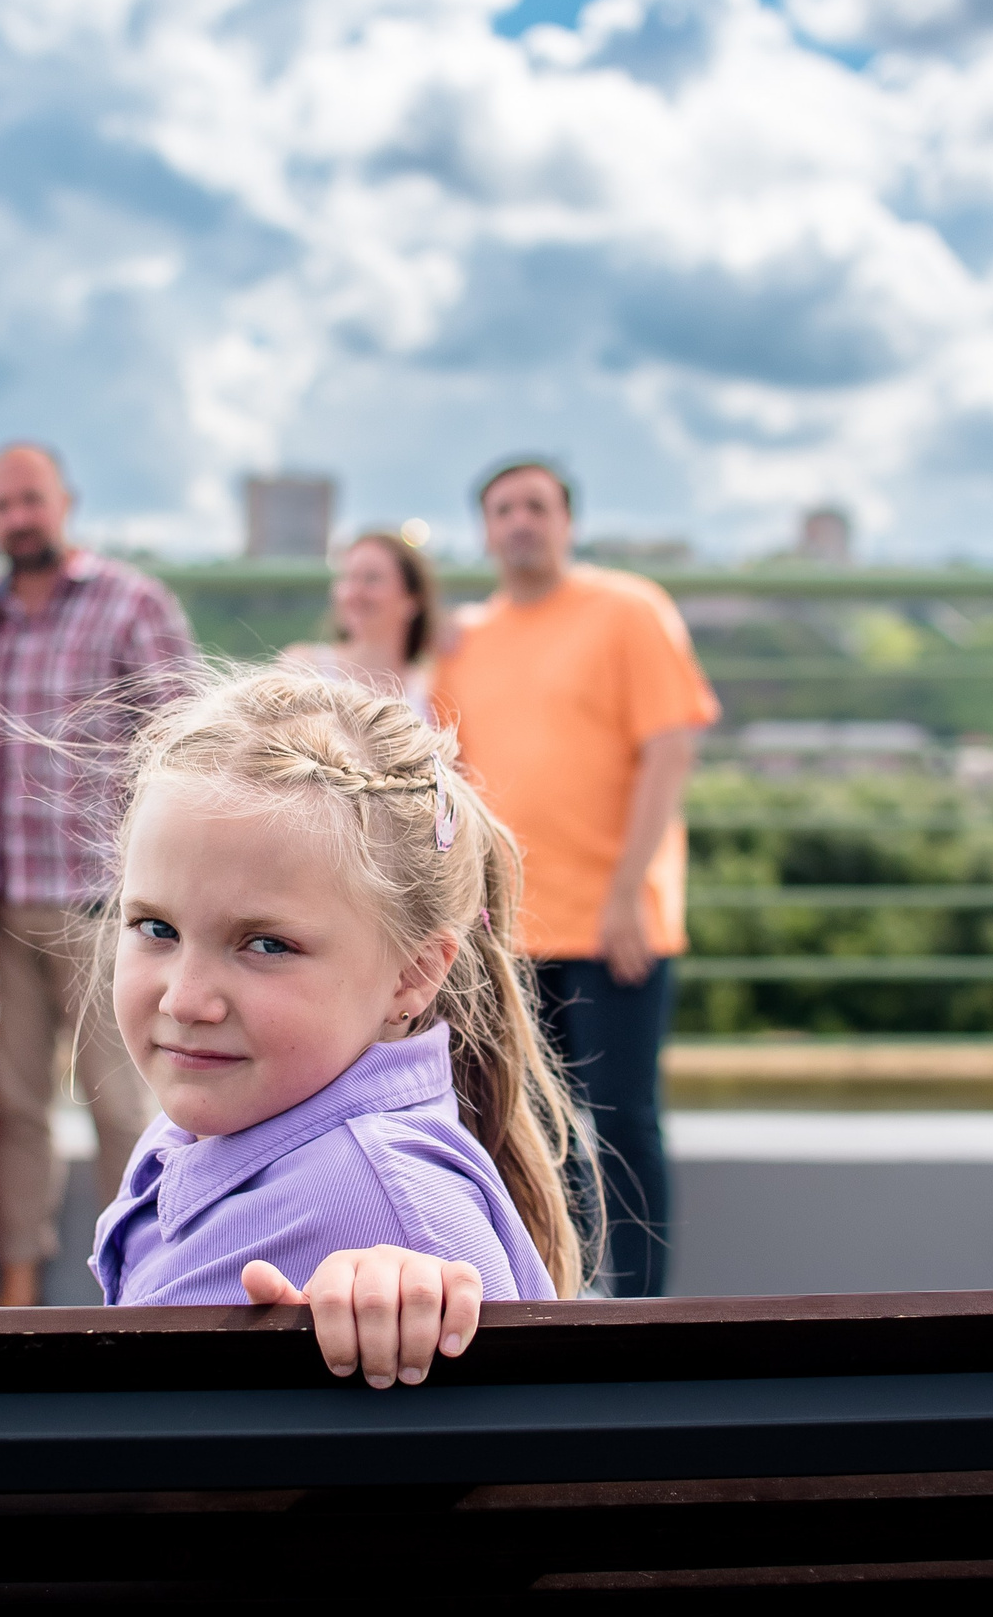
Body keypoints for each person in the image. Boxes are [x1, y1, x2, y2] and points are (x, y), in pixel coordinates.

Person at [90, 666, 591, 1386]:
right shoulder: (222, 1119)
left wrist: (412, 1297)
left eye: (266, 944)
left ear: (414, 974)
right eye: (156, 927)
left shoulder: (389, 1204)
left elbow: (535, 1470)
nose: (186, 999)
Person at [430, 459, 719, 1299]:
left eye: (537, 506)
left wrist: (630, 889)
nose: (520, 521)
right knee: (527, 1128)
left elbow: (670, 750)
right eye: (503, 509)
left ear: (568, 521)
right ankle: (559, 1294)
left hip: (615, 923)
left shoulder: (629, 610)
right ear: (485, 530)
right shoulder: (468, 641)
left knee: (625, 1123)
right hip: (506, 930)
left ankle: (644, 1307)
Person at [0, 441, 197, 1306]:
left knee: (124, 1112)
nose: (17, 518)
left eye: (30, 499)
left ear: (67, 499)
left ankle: (137, 1295)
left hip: (104, 904)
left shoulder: (130, 601)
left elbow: (182, 740)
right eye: (0, 506)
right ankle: (17, 1296)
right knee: (14, 1109)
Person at [282, 530, 440, 721]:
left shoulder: (431, 689)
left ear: (412, 599)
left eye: (372, 578)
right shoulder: (303, 669)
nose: (354, 593)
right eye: (348, 578)